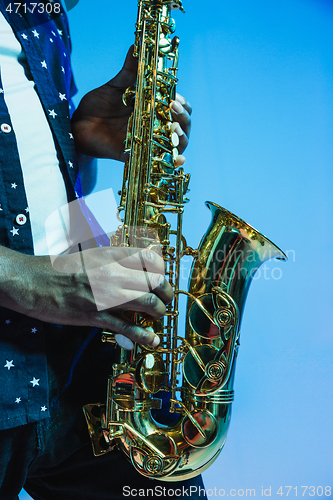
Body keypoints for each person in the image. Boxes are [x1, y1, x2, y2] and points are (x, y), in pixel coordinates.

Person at [0, 1, 208, 498]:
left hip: (77, 362)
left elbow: (33, 186)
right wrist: (28, 280)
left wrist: (76, 140)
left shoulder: (37, 15)